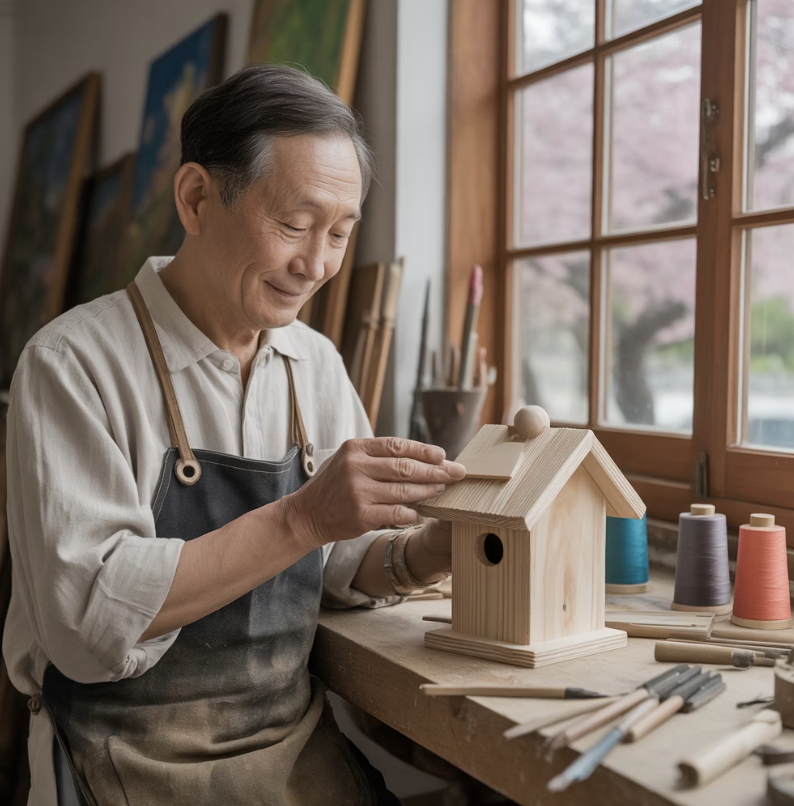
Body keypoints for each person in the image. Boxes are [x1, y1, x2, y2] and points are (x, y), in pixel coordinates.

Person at [3, 64, 465, 806]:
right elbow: (87, 624)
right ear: (196, 198)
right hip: (122, 755)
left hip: (289, 751)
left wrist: (425, 554)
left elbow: (339, 564)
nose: (315, 265)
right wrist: (301, 517)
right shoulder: (71, 364)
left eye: (339, 234)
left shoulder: (314, 363)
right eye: (294, 225)